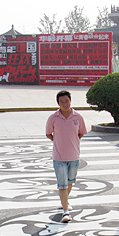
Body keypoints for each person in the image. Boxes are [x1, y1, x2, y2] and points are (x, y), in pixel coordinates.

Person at [46, 90, 87, 223]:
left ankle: (64, 201)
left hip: (74, 156)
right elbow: (48, 134)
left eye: (67, 101)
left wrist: (72, 142)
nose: (65, 104)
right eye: (61, 102)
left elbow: (81, 133)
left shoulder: (78, 117)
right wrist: (58, 142)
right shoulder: (53, 118)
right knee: (62, 185)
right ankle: (66, 211)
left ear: (70, 101)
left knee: (70, 182)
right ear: (58, 103)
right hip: (59, 157)